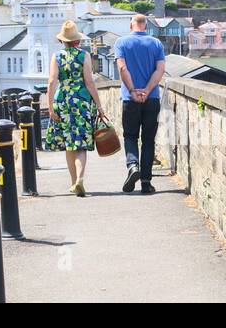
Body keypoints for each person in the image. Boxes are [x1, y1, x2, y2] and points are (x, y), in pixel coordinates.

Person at [44, 19, 104, 197]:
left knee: (69, 144)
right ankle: (80, 179)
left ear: (62, 40)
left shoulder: (57, 56)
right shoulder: (84, 55)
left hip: (62, 101)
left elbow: (51, 81)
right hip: (82, 102)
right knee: (81, 145)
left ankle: (73, 183)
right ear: (77, 40)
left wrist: (50, 107)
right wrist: (99, 106)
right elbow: (89, 82)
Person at [115, 13, 166, 195]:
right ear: (145, 26)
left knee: (130, 136)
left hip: (130, 99)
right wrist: (146, 90)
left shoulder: (121, 43)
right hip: (151, 98)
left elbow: (122, 68)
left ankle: (132, 166)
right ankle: (146, 183)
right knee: (148, 140)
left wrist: (132, 90)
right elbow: (160, 69)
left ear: (131, 26)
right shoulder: (156, 43)